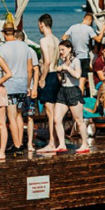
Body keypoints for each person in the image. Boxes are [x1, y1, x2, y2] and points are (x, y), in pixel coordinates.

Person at [42, 40, 90, 154]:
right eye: (60, 50)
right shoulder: (62, 62)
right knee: (57, 119)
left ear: (69, 49)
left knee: (79, 120)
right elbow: (62, 79)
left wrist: (66, 68)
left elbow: (78, 75)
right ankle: (62, 144)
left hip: (73, 91)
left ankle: (85, 144)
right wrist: (59, 73)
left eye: (62, 49)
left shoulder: (76, 61)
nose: (61, 52)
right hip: (63, 91)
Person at [0, 22, 33, 151]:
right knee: (19, 115)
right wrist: (28, 85)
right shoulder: (24, 46)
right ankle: (20, 143)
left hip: (10, 85)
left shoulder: (2, 48)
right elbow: (30, 68)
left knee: (11, 117)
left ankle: (17, 144)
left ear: (3, 33)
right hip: (23, 84)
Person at [62, 12, 105, 94]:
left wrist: (71, 47)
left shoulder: (73, 27)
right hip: (84, 57)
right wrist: (103, 30)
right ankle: (80, 100)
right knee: (82, 79)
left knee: (74, 79)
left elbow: (64, 37)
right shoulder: (89, 29)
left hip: (74, 57)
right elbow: (99, 39)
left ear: (84, 19)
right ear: (90, 21)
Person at [38, 14, 61, 149]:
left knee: (49, 112)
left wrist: (42, 78)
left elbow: (47, 61)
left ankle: (52, 142)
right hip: (56, 76)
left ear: (42, 24)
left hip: (49, 75)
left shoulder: (44, 40)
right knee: (55, 111)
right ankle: (56, 140)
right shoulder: (57, 40)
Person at [16, 30, 40, 151]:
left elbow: (36, 69)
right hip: (17, 88)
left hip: (28, 88)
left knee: (29, 116)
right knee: (18, 115)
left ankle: (29, 143)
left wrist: (34, 87)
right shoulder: (14, 52)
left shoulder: (30, 51)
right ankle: (19, 142)